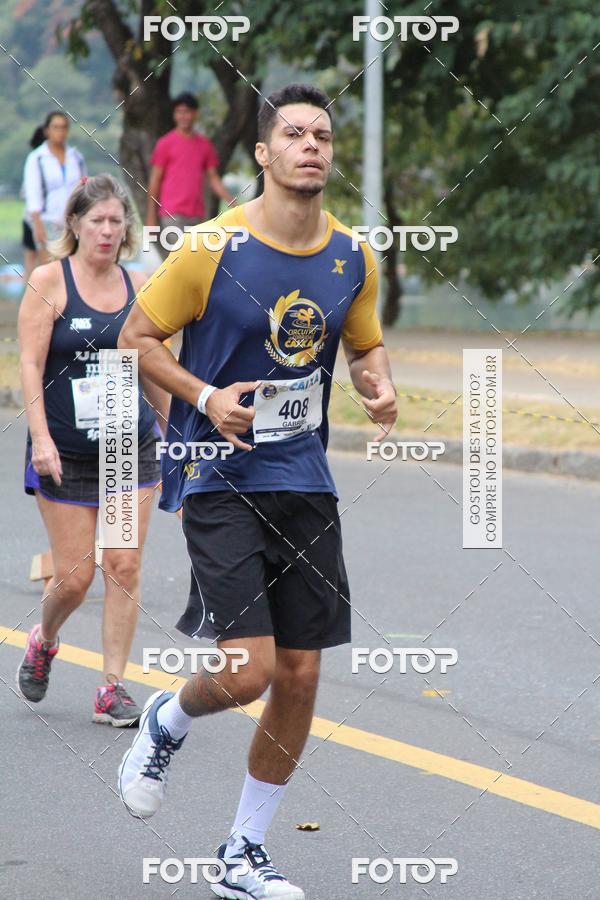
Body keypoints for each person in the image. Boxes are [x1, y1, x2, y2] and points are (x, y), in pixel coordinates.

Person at [117, 83, 397, 899]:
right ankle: (165, 721)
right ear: (265, 155)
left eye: (323, 134)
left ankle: (242, 852)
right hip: (217, 474)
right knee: (248, 672)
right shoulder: (210, 248)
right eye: (295, 134)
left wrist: (377, 388)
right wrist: (206, 399)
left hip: (304, 477)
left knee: (302, 677)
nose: (312, 144)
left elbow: (364, 349)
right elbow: (138, 339)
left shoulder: (353, 255)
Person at [16, 174, 169, 727]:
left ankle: (112, 688)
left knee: (123, 564)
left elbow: (152, 366)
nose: (106, 230)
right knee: (75, 577)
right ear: (75, 225)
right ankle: (45, 637)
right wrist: (40, 439)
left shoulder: (141, 285)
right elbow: (30, 364)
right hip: (64, 451)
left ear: (126, 227)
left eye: (115, 220)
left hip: (128, 448)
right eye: (96, 220)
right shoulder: (49, 282)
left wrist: (176, 431)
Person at [146, 91, 234, 249]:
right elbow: (155, 180)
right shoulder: (165, 143)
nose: (183, 116)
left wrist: (232, 202)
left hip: (196, 214)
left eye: (186, 112)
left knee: (193, 258)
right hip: (172, 213)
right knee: (181, 254)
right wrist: (150, 217)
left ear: (195, 114)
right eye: (179, 112)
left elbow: (213, 179)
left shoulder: (204, 145)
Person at [22, 111, 87, 269]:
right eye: (56, 127)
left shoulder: (76, 157)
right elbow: (33, 192)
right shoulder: (37, 158)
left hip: (71, 221)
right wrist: (37, 225)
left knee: (71, 267)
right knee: (50, 269)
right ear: (47, 131)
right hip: (47, 220)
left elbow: (83, 188)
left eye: (64, 127)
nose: (60, 132)